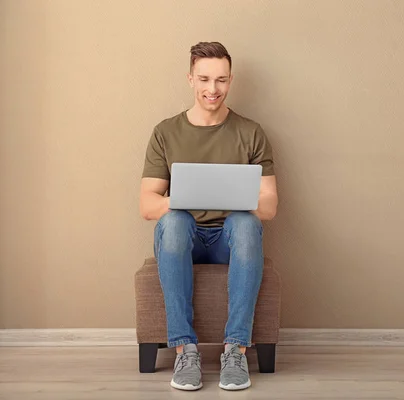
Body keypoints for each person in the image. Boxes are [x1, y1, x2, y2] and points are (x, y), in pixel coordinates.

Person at [139, 41, 278, 391]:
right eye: (204, 79)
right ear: (190, 79)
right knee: (173, 221)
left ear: (231, 81)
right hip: (184, 235)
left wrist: (236, 200)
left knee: (246, 223)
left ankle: (235, 350)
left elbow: (270, 207)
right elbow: (147, 205)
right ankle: (187, 350)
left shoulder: (251, 133)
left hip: (228, 240)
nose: (212, 89)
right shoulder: (166, 132)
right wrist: (183, 198)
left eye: (221, 80)